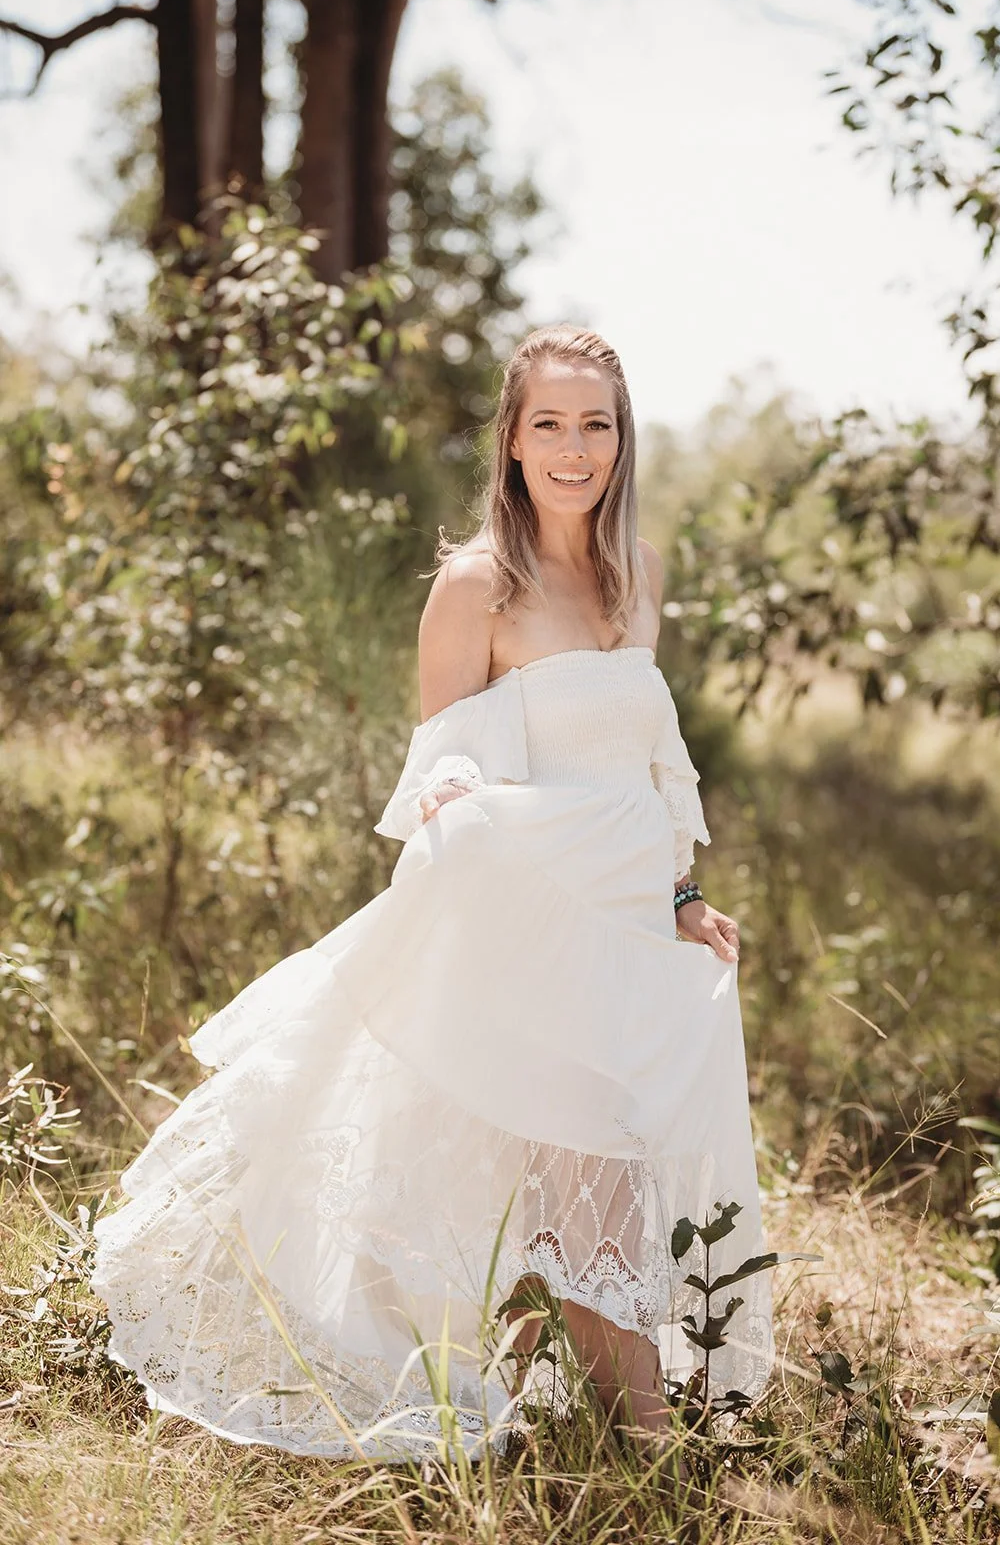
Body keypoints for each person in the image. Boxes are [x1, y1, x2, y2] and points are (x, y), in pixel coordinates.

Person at [90, 325, 773, 1465]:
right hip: (526, 929)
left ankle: (524, 1424)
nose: (573, 448)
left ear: (622, 437)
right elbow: (440, 775)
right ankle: (658, 1461)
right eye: (547, 423)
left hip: (626, 932)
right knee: (594, 1179)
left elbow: (652, 763)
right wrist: (461, 802)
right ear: (510, 440)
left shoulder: (638, 571)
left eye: (594, 423)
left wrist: (684, 897)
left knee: (579, 1177)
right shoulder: (477, 586)